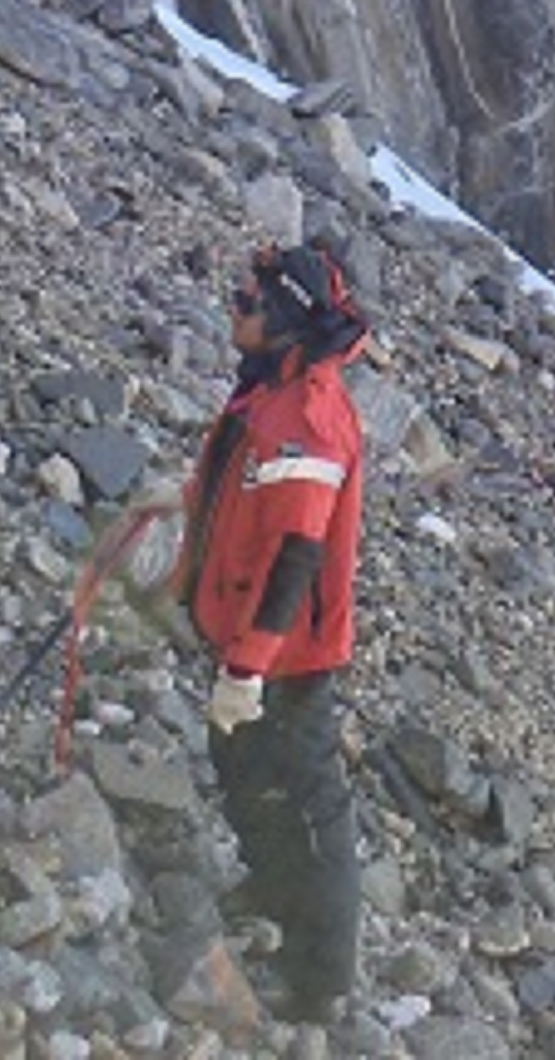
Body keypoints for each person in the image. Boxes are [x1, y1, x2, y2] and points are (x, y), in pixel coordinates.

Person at [174, 237, 370, 1025]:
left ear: (286, 316)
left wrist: (248, 667)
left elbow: (296, 556)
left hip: (287, 656)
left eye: (248, 301)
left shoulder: (309, 418)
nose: (234, 308)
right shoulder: (268, 387)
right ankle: (270, 887)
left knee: (309, 798)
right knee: (243, 766)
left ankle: (320, 981)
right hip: (245, 635)